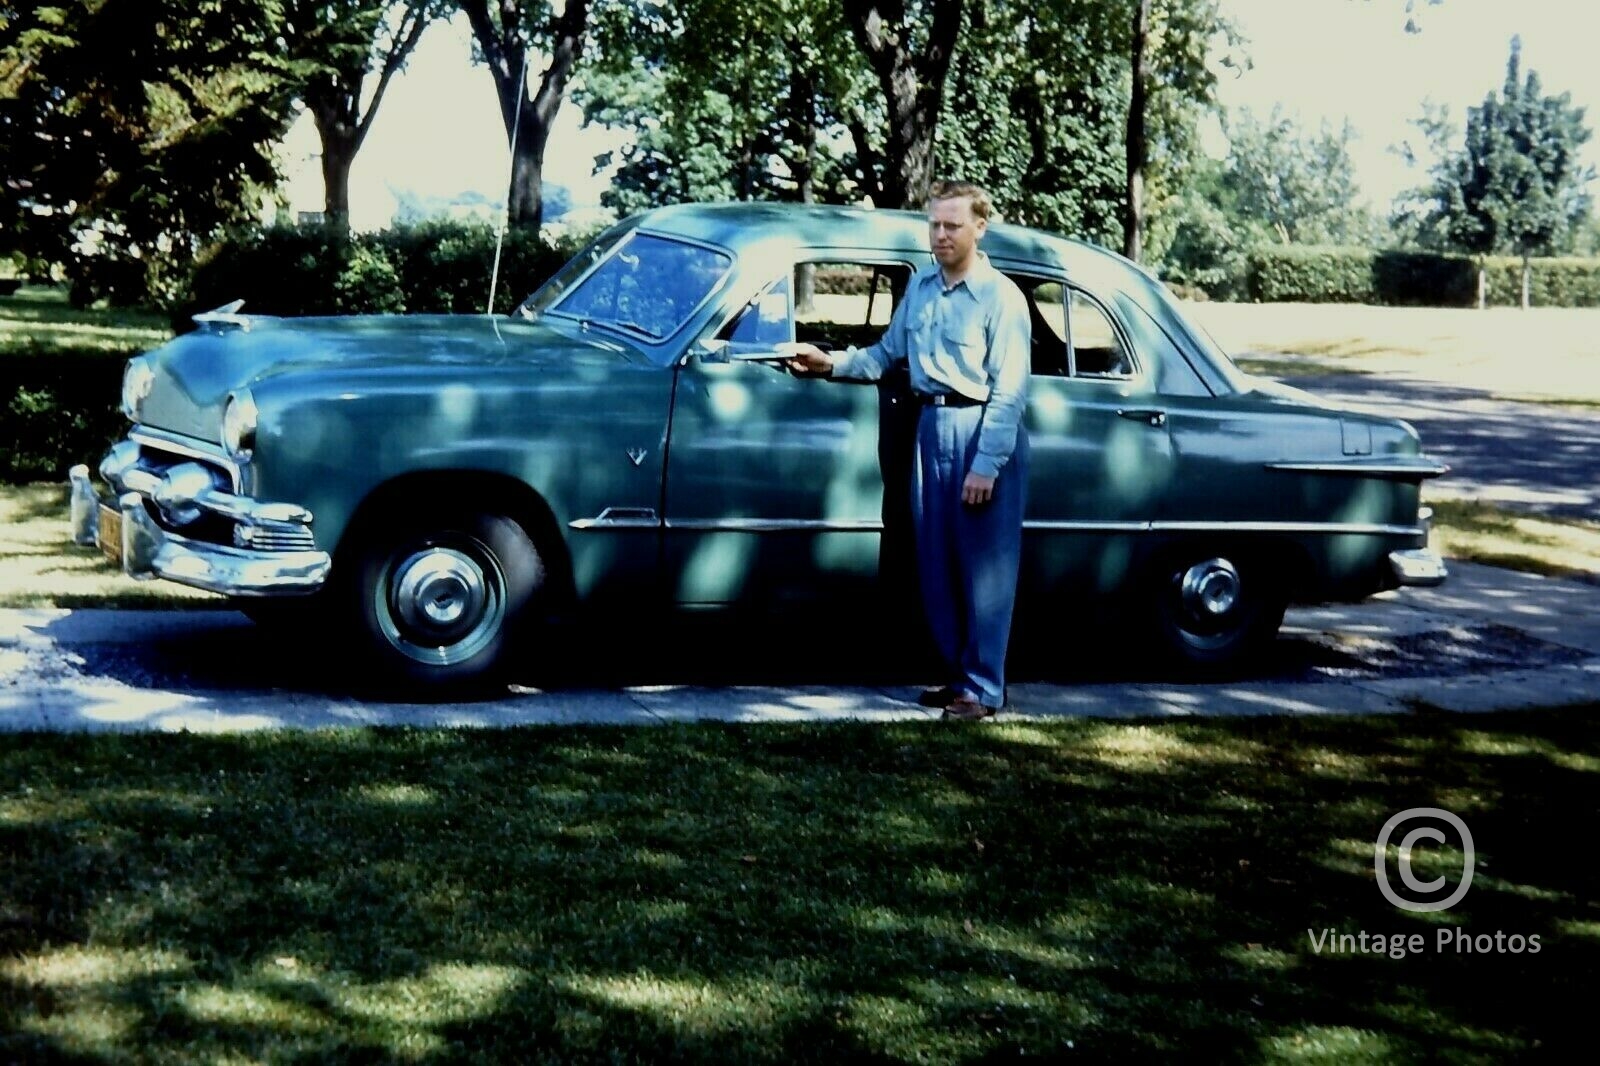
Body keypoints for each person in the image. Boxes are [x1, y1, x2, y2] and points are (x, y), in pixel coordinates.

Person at [786, 181, 1031, 721]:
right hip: (929, 426)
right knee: (937, 562)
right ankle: (957, 677)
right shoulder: (921, 289)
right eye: (935, 225)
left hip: (978, 427)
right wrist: (829, 364)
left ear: (979, 227)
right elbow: (884, 355)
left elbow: (1010, 390)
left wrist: (986, 464)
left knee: (984, 569)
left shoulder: (1001, 298)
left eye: (952, 226)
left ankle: (985, 689)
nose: (940, 236)